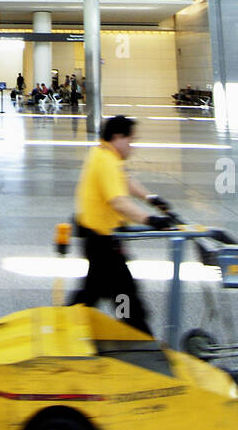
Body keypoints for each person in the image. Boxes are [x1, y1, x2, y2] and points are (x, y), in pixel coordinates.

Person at [67, 115, 172, 336]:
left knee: (93, 291)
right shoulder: (106, 162)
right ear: (117, 137)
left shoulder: (104, 153)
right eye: (130, 141)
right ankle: (134, 333)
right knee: (124, 294)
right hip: (101, 240)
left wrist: (151, 198)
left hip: (97, 237)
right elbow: (118, 201)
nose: (132, 147)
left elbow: (125, 179)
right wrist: (150, 219)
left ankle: (68, 326)